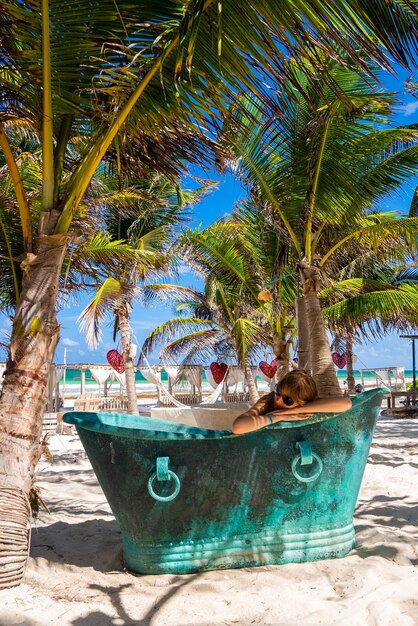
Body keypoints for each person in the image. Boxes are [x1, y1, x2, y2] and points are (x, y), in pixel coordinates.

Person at [232, 369, 352, 434]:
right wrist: (276, 417)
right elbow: (238, 427)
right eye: (277, 390)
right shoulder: (268, 401)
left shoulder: (307, 406)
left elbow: (346, 403)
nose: (278, 398)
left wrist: (298, 410)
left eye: (288, 400)